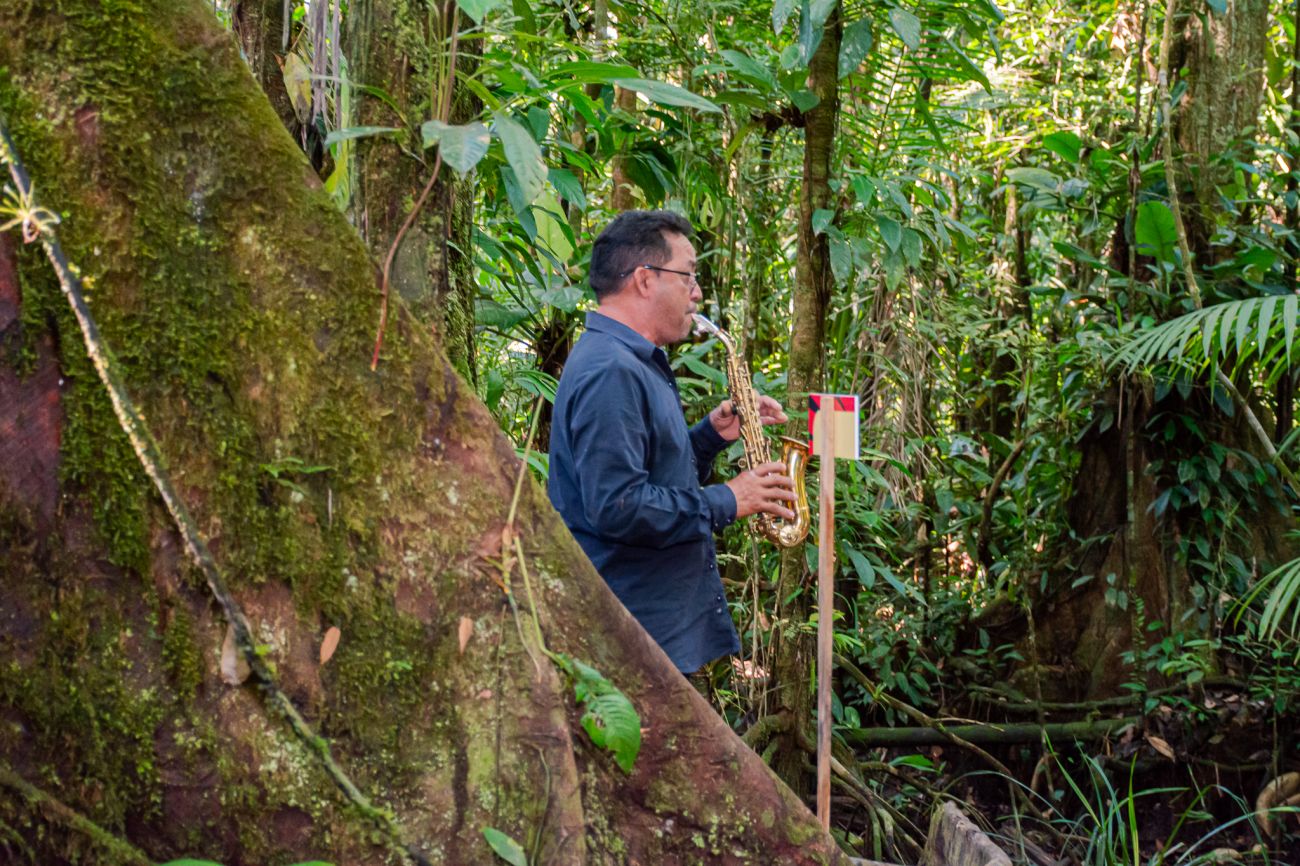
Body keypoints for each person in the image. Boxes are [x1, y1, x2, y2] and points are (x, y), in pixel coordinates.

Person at [547, 209, 797, 676]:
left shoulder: (633, 361)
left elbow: (651, 475)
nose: (697, 292)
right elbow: (618, 506)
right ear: (645, 279)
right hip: (634, 644)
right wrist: (729, 499)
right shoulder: (611, 370)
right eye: (689, 275)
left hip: (655, 636)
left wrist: (709, 437)